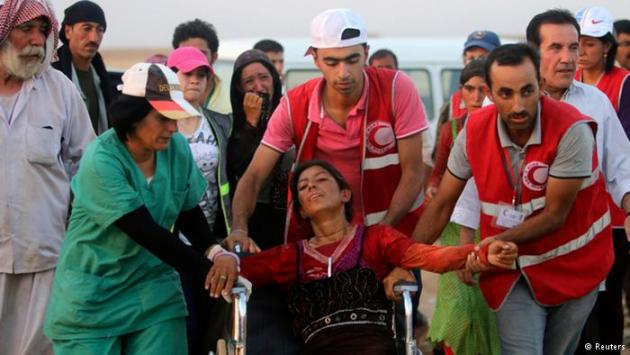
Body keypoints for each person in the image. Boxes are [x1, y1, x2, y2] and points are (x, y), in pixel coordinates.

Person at [414, 43, 614, 355]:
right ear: (490, 94)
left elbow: (555, 214)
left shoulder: (573, 130)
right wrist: (408, 261)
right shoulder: (474, 129)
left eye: (527, 91)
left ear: (541, 86)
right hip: (510, 267)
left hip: (575, 263)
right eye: (506, 94)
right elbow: (442, 203)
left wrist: (488, 245)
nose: (518, 105)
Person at [206, 159, 517, 355]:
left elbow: (429, 256)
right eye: (303, 186)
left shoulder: (376, 238)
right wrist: (225, 257)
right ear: (300, 208)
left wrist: (481, 252)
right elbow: (240, 269)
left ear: (345, 194)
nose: (312, 186)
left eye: (322, 180)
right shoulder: (291, 257)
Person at [43, 62, 238, 355]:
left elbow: (187, 210)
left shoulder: (176, 149)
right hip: (93, 295)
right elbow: (145, 232)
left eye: (176, 117)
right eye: (163, 118)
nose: (173, 128)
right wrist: (211, 271)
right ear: (132, 118)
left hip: (152, 290)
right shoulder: (102, 159)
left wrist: (216, 251)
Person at [227, 8, 428, 251]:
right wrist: (239, 229)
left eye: (352, 60)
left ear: (366, 53)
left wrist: (381, 233)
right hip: (324, 241)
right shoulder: (295, 104)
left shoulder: (397, 88)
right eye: (332, 62)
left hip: (393, 234)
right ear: (315, 58)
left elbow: (414, 172)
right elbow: (254, 175)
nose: (343, 73)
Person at [0, 1, 95, 354]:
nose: (38, 40)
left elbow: (89, 165)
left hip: (47, 256)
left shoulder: (60, 90)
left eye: (43, 31)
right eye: (26, 29)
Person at [424, 58, 500, 355]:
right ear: (461, 91)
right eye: (470, 89)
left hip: (490, 226)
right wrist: (433, 188)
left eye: (483, 89)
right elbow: (437, 171)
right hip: (455, 226)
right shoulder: (452, 129)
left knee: (486, 304)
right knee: (457, 303)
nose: (477, 95)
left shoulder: (502, 128)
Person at [167, 46, 232, 355]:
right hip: (170, 240)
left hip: (210, 239)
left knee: (210, 320)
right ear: (172, 77)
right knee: (183, 319)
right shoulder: (161, 123)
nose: (195, 80)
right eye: (187, 73)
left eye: (201, 74)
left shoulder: (220, 124)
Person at [52, 1, 114, 135]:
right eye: (87, 28)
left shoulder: (102, 80)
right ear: (68, 31)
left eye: (100, 30)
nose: (94, 38)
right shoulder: (50, 78)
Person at [575, 6, 630, 137]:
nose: (581, 52)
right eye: (576, 44)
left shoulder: (624, 82)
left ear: (607, 46)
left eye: (589, 45)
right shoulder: (570, 81)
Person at [172, 18, 231, 115]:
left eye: (200, 53)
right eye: (185, 54)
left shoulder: (230, 100)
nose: (193, 59)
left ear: (214, 57)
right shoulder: (162, 96)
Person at [441, 30, 500, 122]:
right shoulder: (453, 104)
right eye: (471, 58)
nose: (475, 62)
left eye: (482, 57)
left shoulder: (505, 97)